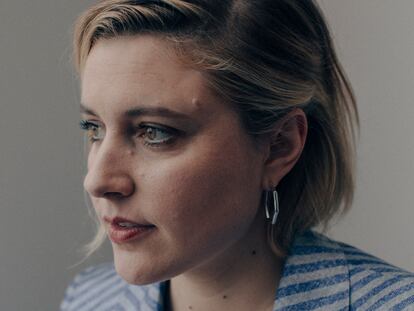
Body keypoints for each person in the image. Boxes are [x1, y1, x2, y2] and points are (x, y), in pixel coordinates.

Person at [60, 0, 414, 310]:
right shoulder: (89, 300)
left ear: (279, 147)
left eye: (155, 132)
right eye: (94, 128)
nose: (98, 181)